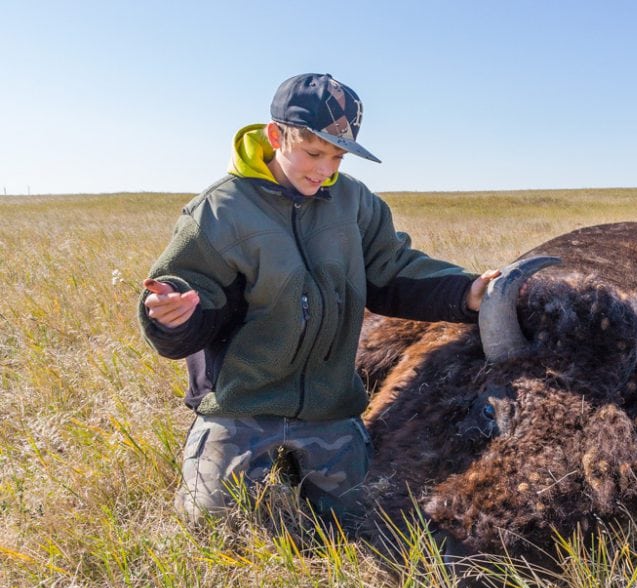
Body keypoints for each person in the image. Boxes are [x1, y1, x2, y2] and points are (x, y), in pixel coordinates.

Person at [140, 72, 497, 533]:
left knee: (363, 518)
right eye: (313, 152)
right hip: (242, 404)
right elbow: (184, 289)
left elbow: (391, 268)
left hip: (330, 407)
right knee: (217, 527)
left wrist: (464, 292)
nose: (324, 169)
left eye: (337, 156)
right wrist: (173, 318)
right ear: (275, 135)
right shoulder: (218, 212)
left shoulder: (355, 203)